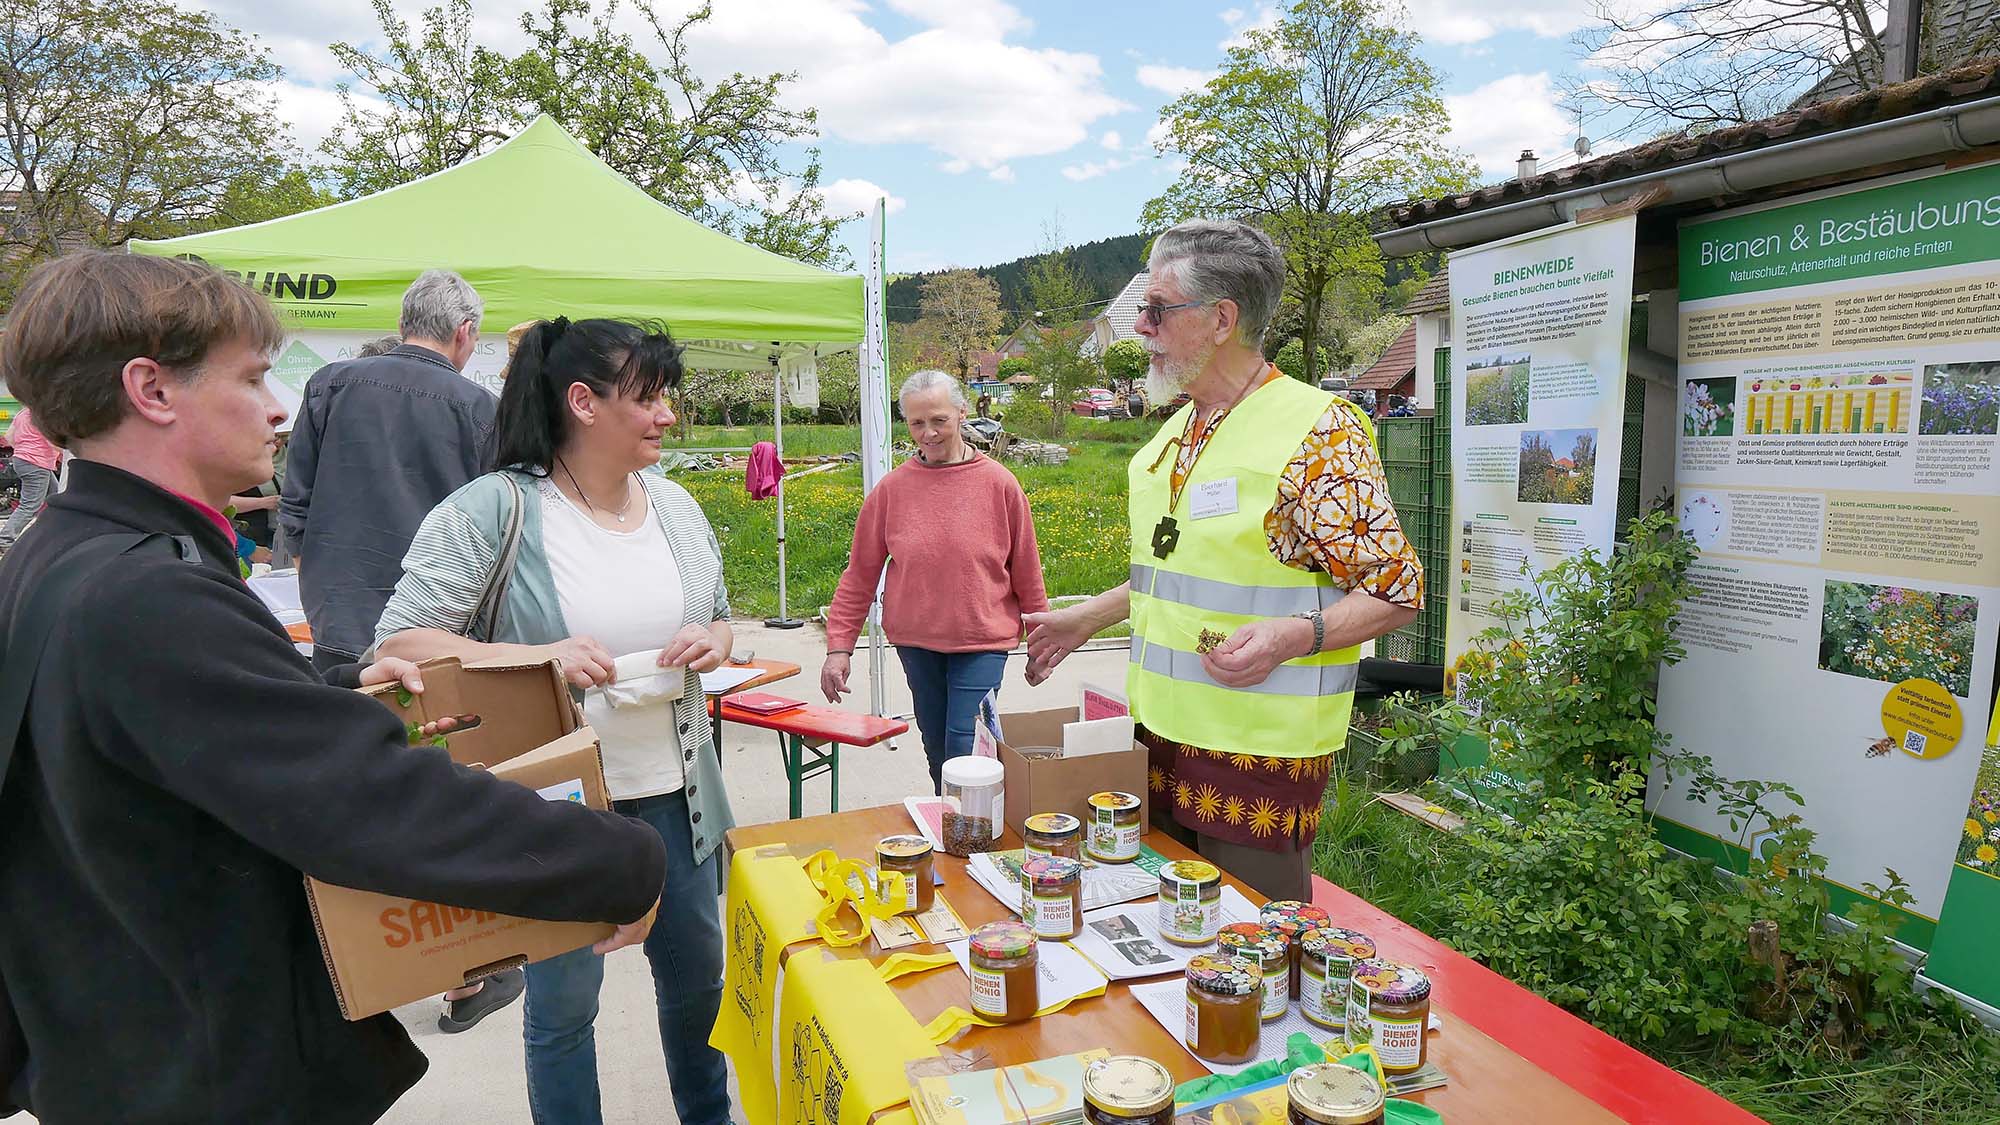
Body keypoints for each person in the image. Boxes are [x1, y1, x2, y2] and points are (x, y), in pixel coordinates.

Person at [0, 251, 665, 1123]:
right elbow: (369, 801)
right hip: (202, 1070)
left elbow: (165, 752)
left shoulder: (55, 555)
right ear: (152, 390)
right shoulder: (148, 591)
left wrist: (330, 698)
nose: (279, 408)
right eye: (253, 377)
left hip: (120, 1041)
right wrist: (616, 859)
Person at [373, 317, 736, 1125]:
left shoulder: (674, 507)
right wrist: (537, 658)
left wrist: (710, 640)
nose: (668, 415)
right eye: (649, 397)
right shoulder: (494, 510)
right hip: (557, 810)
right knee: (566, 1004)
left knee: (700, 984)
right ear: (584, 402)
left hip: (678, 791)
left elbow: (721, 617)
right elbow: (398, 638)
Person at [1024, 220, 1423, 901]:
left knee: (1248, 957)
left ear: (1221, 320)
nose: (1141, 327)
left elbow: (1395, 589)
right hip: (1158, 743)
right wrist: (1088, 616)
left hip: (1257, 762)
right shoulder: (1178, 430)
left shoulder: (1318, 431)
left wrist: (1293, 635)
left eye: (1156, 308)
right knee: (1169, 943)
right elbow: (1175, 571)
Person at [821, 370, 1050, 791]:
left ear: (963, 413)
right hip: (917, 643)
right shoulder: (891, 490)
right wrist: (839, 648)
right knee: (937, 750)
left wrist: (1041, 644)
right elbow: (859, 575)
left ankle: (975, 836)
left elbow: (1027, 573)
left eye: (938, 420)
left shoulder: (1000, 484)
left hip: (982, 641)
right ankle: (954, 827)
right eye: (916, 423)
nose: (927, 433)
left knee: (967, 749)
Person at [280, 270, 495, 675]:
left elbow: (296, 498)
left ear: (401, 326)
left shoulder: (329, 384)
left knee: (344, 723)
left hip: (337, 606)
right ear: (464, 332)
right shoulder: (482, 408)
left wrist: (309, 570)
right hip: (437, 615)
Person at [0, 408, 58, 556]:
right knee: (30, 505)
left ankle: (48, 533)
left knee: (55, 496)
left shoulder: (23, 413)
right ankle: (5, 539)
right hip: (37, 462)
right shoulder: (44, 414)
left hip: (23, 460)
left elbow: (9, 437)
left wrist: (25, 449)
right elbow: (53, 441)